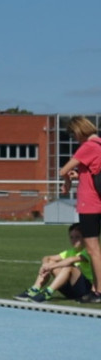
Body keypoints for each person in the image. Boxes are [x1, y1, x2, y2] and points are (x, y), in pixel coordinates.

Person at [58, 116, 101, 303]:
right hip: (96, 201)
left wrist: (66, 181)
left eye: (74, 134)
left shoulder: (88, 147)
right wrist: (78, 175)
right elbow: (92, 173)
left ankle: (98, 291)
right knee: (94, 250)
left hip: (90, 204)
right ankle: (95, 288)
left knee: (93, 250)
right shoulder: (99, 145)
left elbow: (63, 170)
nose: (74, 138)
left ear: (80, 130)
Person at [13, 223, 94, 303]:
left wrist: (50, 267)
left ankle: (47, 293)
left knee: (68, 266)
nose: (74, 240)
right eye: (71, 237)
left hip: (86, 290)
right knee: (50, 262)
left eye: (77, 237)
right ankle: (35, 289)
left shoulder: (89, 251)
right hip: (72, 291)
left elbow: (70, 260)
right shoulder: (71, 251)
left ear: (85, 238)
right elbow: (47, 257)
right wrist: (45, 265)